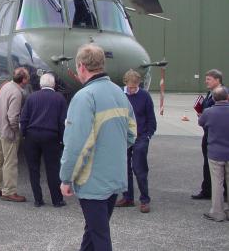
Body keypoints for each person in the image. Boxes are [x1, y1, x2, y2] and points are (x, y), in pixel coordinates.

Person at [60, 44, 136, 251]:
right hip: (115, 177)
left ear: (82, 67)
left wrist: (66, 178)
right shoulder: (120, 95)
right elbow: (131, 134)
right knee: (94, 229)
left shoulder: (85, 97)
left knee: (100, 235)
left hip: (92, 181)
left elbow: (76, 145)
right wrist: (111, 149)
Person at [20, 73, 67, 207]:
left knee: (33, 169)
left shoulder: (31, 97)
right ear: (53, 85)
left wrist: (24, 134)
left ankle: (38, 199)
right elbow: (62, 122)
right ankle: (57, 200)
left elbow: (24, 118)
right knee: (53, 169)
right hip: (51, 136)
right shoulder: (60, 98)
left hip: (32, 135)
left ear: (40, 84)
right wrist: (62, 140)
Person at [115, 69, 157, 213]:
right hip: (123, 137)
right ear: (125, 83)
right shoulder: (119, 93)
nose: (133, 90)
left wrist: (148, 135)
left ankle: (144, 200)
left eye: (136, 87)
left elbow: (151, 117)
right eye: (131, 87)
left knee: (140, 169)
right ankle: (128, 198)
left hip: (141, 137)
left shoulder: (144, 96)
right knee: (124, 169)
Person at [0, 67, 30, 202]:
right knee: (10, 162)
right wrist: (17, 131)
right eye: (27, 78)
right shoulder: (17, 93)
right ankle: (9, 191)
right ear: (23, 79)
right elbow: (13, 117)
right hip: (8, 132)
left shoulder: (5, 86)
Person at [192, 69, 227, 200]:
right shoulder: (209, 93)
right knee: (208, 163)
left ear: (217, 80)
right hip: (208, 133)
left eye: (209, 79)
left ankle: (223, 192)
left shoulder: (224, 94)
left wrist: (205, 115)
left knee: (220, 165)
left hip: (218, 135)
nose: (206, 81)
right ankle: (207, 190)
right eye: (206, 79)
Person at [198, 86, 229, 222]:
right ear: (227, 97)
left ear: (214, 99)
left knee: (217, 183)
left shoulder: (209, 112)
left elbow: (201, 122)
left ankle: (217, 212)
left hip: (215, 153)